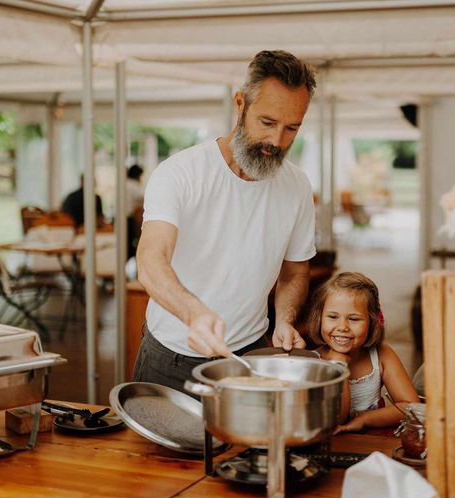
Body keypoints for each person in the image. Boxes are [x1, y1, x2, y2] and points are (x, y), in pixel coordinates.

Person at [132, 50, 318, 394]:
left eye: (291, 128)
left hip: (251, 354)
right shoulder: (180, 173)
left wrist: (285, 319)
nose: (277, 141)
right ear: (240, 104)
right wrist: (193, 313)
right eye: (267, 123)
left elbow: (294, 272)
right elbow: (150, 260)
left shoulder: (297, 186)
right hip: (170, 358)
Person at [306, 272, 419, 433]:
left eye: (354, 319)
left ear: (372, 322)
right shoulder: (312, 363)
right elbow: (336, 419)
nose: (342, 327)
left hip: (373, 442)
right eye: (333, 317)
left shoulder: (382, 354)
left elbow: (411, 407)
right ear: (319, 318)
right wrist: (339, 365)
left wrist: (364, 420)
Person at [126, 164, 144, 258]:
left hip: (123, 218)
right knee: (131, 241)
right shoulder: (134, 185)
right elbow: (141, 200)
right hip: (129, 218)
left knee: (126, 241)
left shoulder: (125, 183)